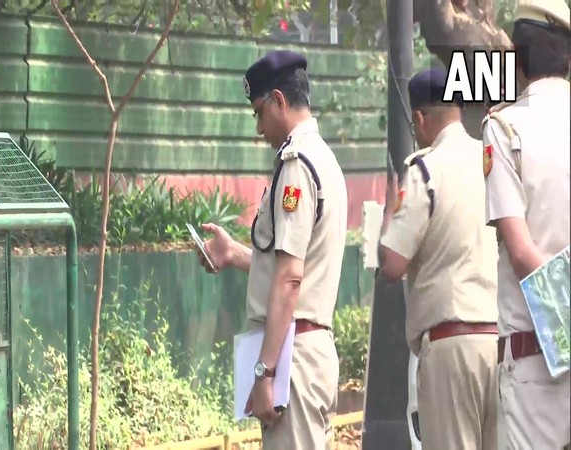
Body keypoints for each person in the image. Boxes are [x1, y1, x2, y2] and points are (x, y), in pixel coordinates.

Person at [195, 50, 348, 449]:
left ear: (279, 100)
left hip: (291, 358)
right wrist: (234, 254)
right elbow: (289, 264)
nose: (259, 128)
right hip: (306, 352)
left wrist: (264, 371)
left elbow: (291, 279)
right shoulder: (323, 159)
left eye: (260, 113)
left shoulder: (297, 165)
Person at [378, 68, 500, 449]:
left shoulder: (424, 169)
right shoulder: (492, 160)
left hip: (451, 349)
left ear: (419, 118)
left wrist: (388, 214)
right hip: (500, 344)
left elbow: (392, 264)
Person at [481, 0, 571, 447]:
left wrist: (567, 330)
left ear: (516, 57)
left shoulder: (505, 128)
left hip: (537, 361)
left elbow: (521, 252)